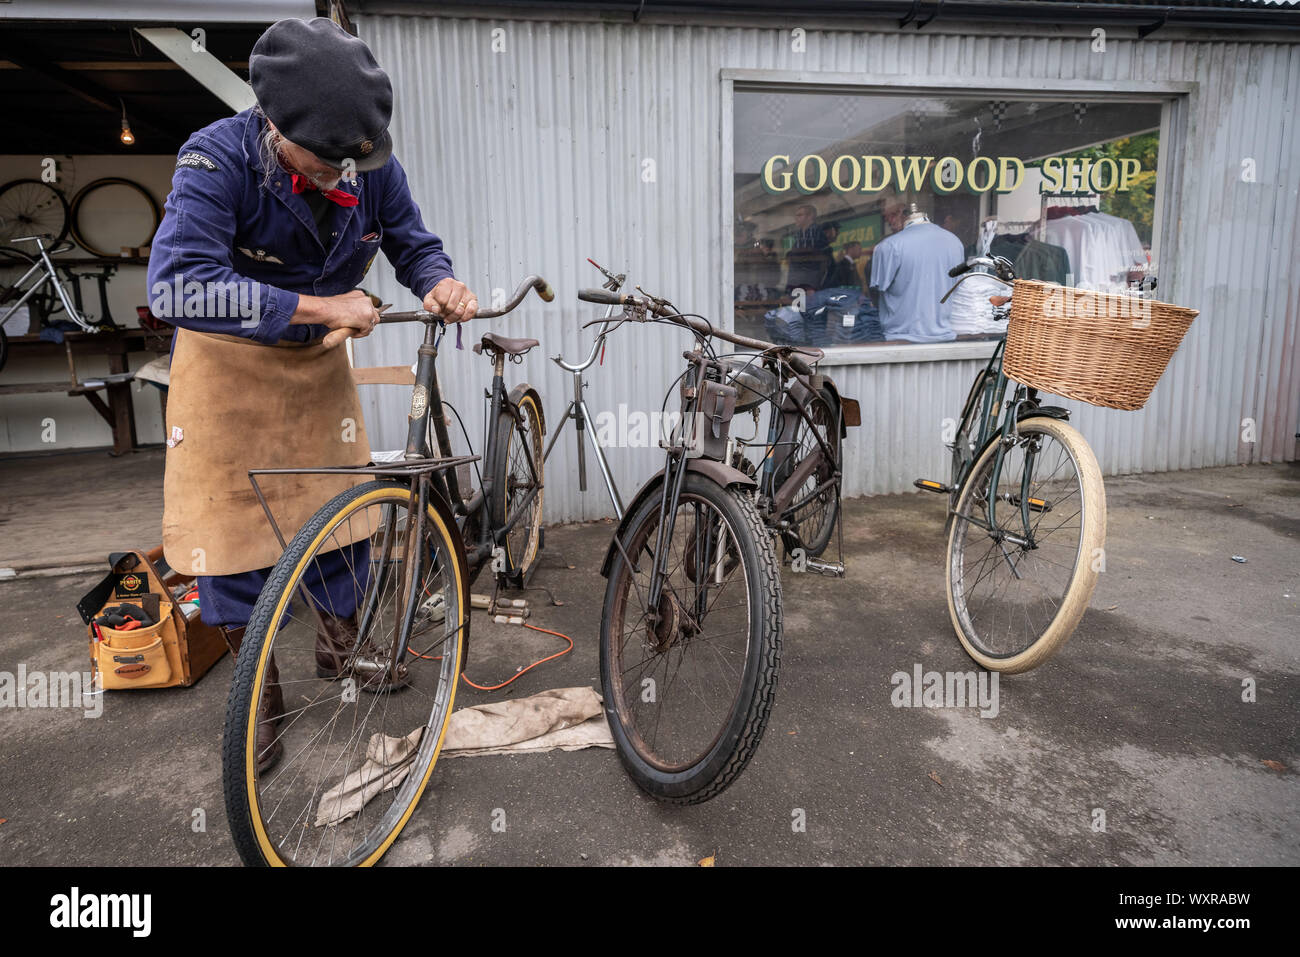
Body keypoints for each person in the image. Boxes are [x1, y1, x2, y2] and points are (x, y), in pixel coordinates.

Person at [147, 17, 481, 772]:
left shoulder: (364, 164)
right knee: (233, 543)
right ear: (274, 124)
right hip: (227, 370)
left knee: (342, 517)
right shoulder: (214, 157)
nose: (342, 177)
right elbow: (177, 286)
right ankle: (258, 694)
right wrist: (325, 305)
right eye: (326, 163)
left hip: (316, 364)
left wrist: (440, 282)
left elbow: (411, 241)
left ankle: (343, 649)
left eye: (352, 163)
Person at [868, 203, 963, 343]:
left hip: (900, 338)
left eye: (893, 215)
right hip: (945, 336)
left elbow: (876, 290)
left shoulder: (889, 246)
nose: (889, 221)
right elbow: (957, 285)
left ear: (903, 216)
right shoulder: (956, 243)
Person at [784, 203, 832, 293]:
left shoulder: (815, 232)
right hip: (798, 283)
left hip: (809, 284)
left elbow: (815, 259)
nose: (796, 218)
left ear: (810, 216)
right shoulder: (799, 234)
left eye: (800, 215)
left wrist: (811, 286)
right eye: (796, 215)